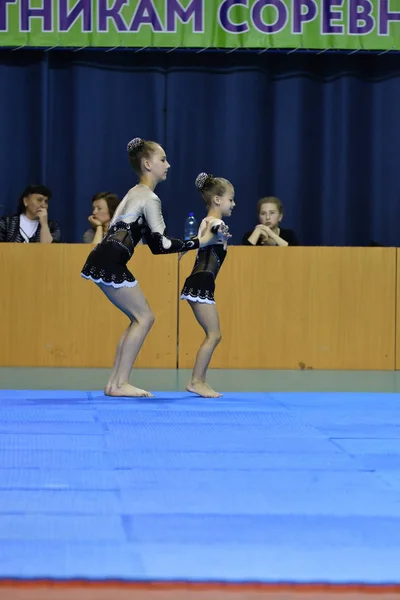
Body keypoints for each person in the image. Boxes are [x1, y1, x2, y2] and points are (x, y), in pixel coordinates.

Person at [81, 138, 225, 398]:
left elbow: (153, 243)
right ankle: (120, 382)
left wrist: (188, 244)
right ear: (147, 164)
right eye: (162, 160)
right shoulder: (149, 198)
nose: (168, 164)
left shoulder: (134, 193)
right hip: (109, 259)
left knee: (138, 317)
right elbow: (163, 243)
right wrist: (200, 241)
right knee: (144, 317)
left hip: (104, 257)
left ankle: (115, 383)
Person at [181, 172, 235, 398]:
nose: (234, 203)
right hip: (201, 282)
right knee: (214, 335)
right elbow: (213, 230)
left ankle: (199, 380)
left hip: (201, 282)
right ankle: (196, 381)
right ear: (217, 200)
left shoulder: (206, 221)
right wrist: (219, 231)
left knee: (213, 334)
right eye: (231, 199)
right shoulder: (215, 222)